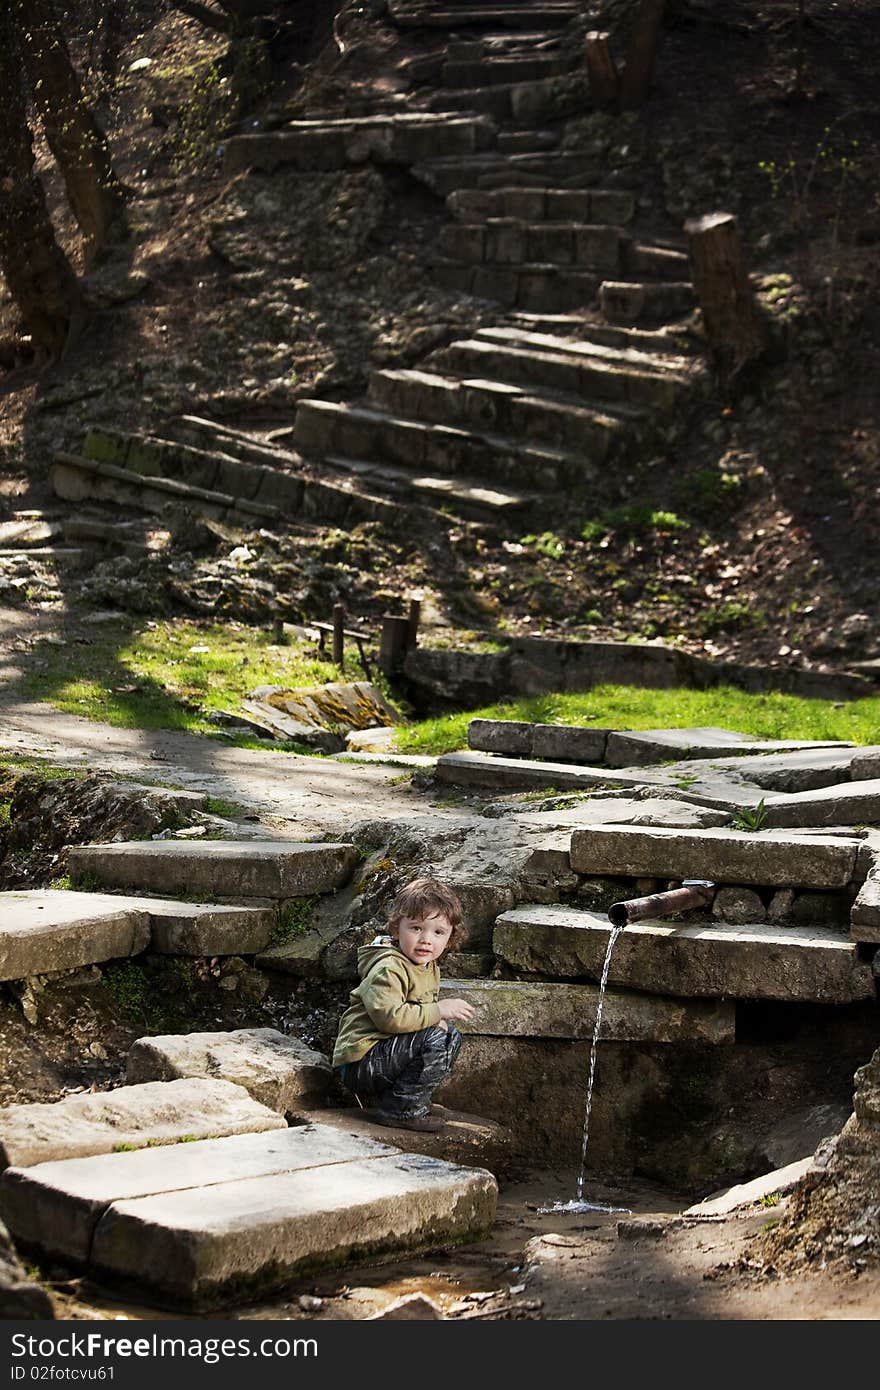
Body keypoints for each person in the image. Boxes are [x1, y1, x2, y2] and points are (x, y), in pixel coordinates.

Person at [332, 876, 475, 1132]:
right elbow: (390, 1018)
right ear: (397, 929)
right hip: (361, 1063)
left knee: (449, 1035)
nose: (426, 940)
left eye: (438, 932)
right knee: (434, 1038)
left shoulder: (426, 966)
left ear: (451, 938)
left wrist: (436, 1019)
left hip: (383, 1056)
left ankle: (410, 1100)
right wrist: (438, 1010)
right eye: (417, 928)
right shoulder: (389, 968)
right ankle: (400, 1111)